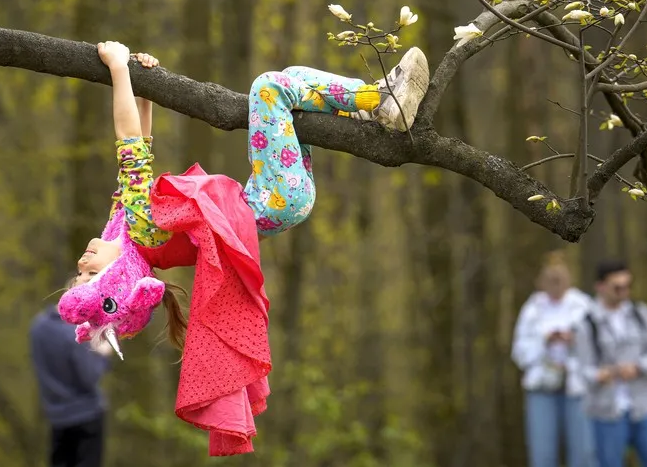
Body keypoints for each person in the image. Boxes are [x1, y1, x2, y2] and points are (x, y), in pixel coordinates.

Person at [57, 40, 430, 456]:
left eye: (80, 274)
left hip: (271, 198)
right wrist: (118, 69)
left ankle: (370, 108)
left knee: (293, 83)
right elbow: (128, 144)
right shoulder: (143, 233)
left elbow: (140, 149)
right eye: (91, 276)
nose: (81, 263)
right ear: (123, 280)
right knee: (269, 87)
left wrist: (144, 86)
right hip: (272, 199)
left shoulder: (127, 230)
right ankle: (380, 100)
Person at [575, 260, 647, 467]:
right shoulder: (586, 323)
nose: (623, 292)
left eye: (627, 286)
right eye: (617, 287)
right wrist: (601, 375)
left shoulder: (640, 313)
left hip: (643, 407)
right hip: (606, 412)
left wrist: (638, 368)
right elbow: (583, 370)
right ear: (600, 286)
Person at [511, 250, 596, 467]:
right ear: (541, 280)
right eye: (551, 279)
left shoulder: (583, 305)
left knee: (583, 452)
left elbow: (596, 348)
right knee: (543, 454)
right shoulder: (532, 308)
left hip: (576, 388)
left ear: (569, 278)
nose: (556, 283)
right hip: (541, 387)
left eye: (560, 278)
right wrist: (545, 341)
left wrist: (574, 340)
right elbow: (519, 352)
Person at [30, 304, 112, 467]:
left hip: (56, 415)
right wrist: (104, 354)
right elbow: (89, 377)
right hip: (86, 416)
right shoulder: (74, 333)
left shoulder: (38, 327)